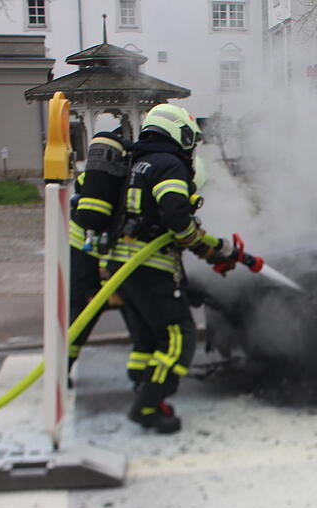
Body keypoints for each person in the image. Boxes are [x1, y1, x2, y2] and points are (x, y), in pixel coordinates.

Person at [106, 103, 236, 434]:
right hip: (150, 264)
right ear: (178, 132)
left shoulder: (139, 162)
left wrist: (210, 250)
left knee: (150, 334)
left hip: (126, 262)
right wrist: (209, 247)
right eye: (190, 139)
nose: (191, 148)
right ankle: (149, 405)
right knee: (180, 338)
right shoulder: (168, 163)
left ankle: (143, 385)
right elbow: (177, 219)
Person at [67, 128, 146, 387]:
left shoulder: (111, 173)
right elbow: (109, 225)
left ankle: (141, 372)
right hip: (87, 249)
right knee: (90, 310)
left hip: (87, 246)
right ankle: (142, 375)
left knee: (123, 306)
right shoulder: (130, 180)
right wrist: (105, 268)